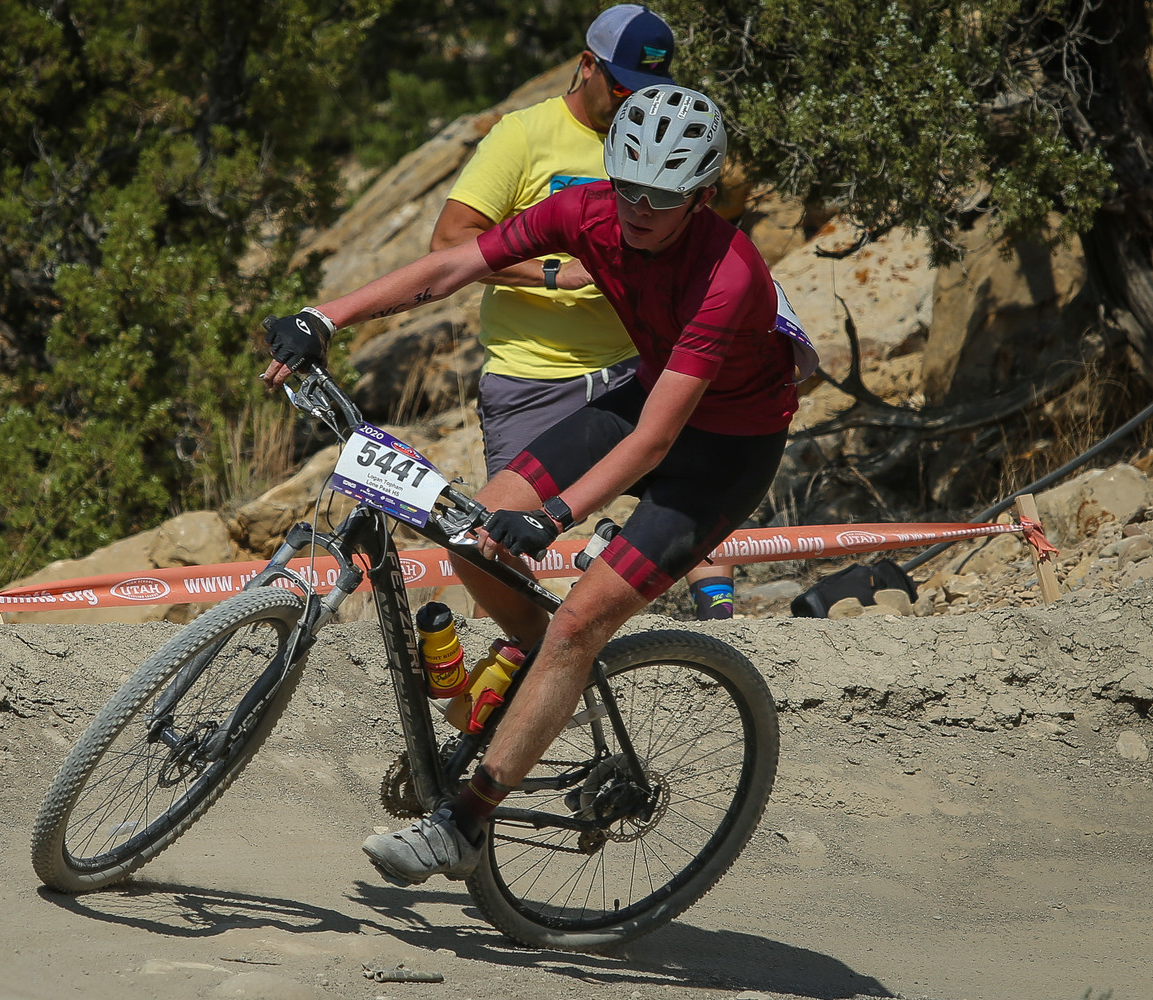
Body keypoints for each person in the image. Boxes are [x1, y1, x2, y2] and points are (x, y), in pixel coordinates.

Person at [261, 85, 817, 886]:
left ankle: (465, 822)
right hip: (644, 392)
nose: (639, 209)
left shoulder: (728, 273)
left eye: (662, 197)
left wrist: (557, 516)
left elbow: (659, 440)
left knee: (581, 619)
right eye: (628, 185)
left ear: (700, 197)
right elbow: (457, 263)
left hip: (725, 449)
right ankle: (536, 664)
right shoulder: (588, 212)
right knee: (474, 531)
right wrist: (327, 317)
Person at [430, 4, 739, 620]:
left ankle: (724, 632)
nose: (633, 103)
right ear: (587, 66)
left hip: (633, 366)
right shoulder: (523, 135)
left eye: (648, 90)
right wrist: (555, 273)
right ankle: (531, 653)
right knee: (493, 539)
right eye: (623, 88)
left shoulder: (656, 136)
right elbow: (449, 244)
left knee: (695, 495)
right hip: (533, 378)